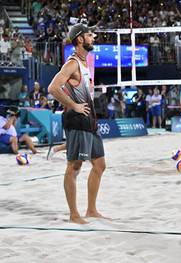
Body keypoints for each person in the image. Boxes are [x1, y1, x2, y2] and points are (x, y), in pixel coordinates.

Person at [47, 23, 106, 224]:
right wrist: (73, 105)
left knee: (100, 164)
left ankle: (91, 209)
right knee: (74, 167)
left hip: (90, 120)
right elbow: (53, 88)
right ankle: (74, 214)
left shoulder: (84, 62)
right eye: (90, 35)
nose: (93, 38)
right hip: (77, 120)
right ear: (80, 39)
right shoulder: (72, 63)